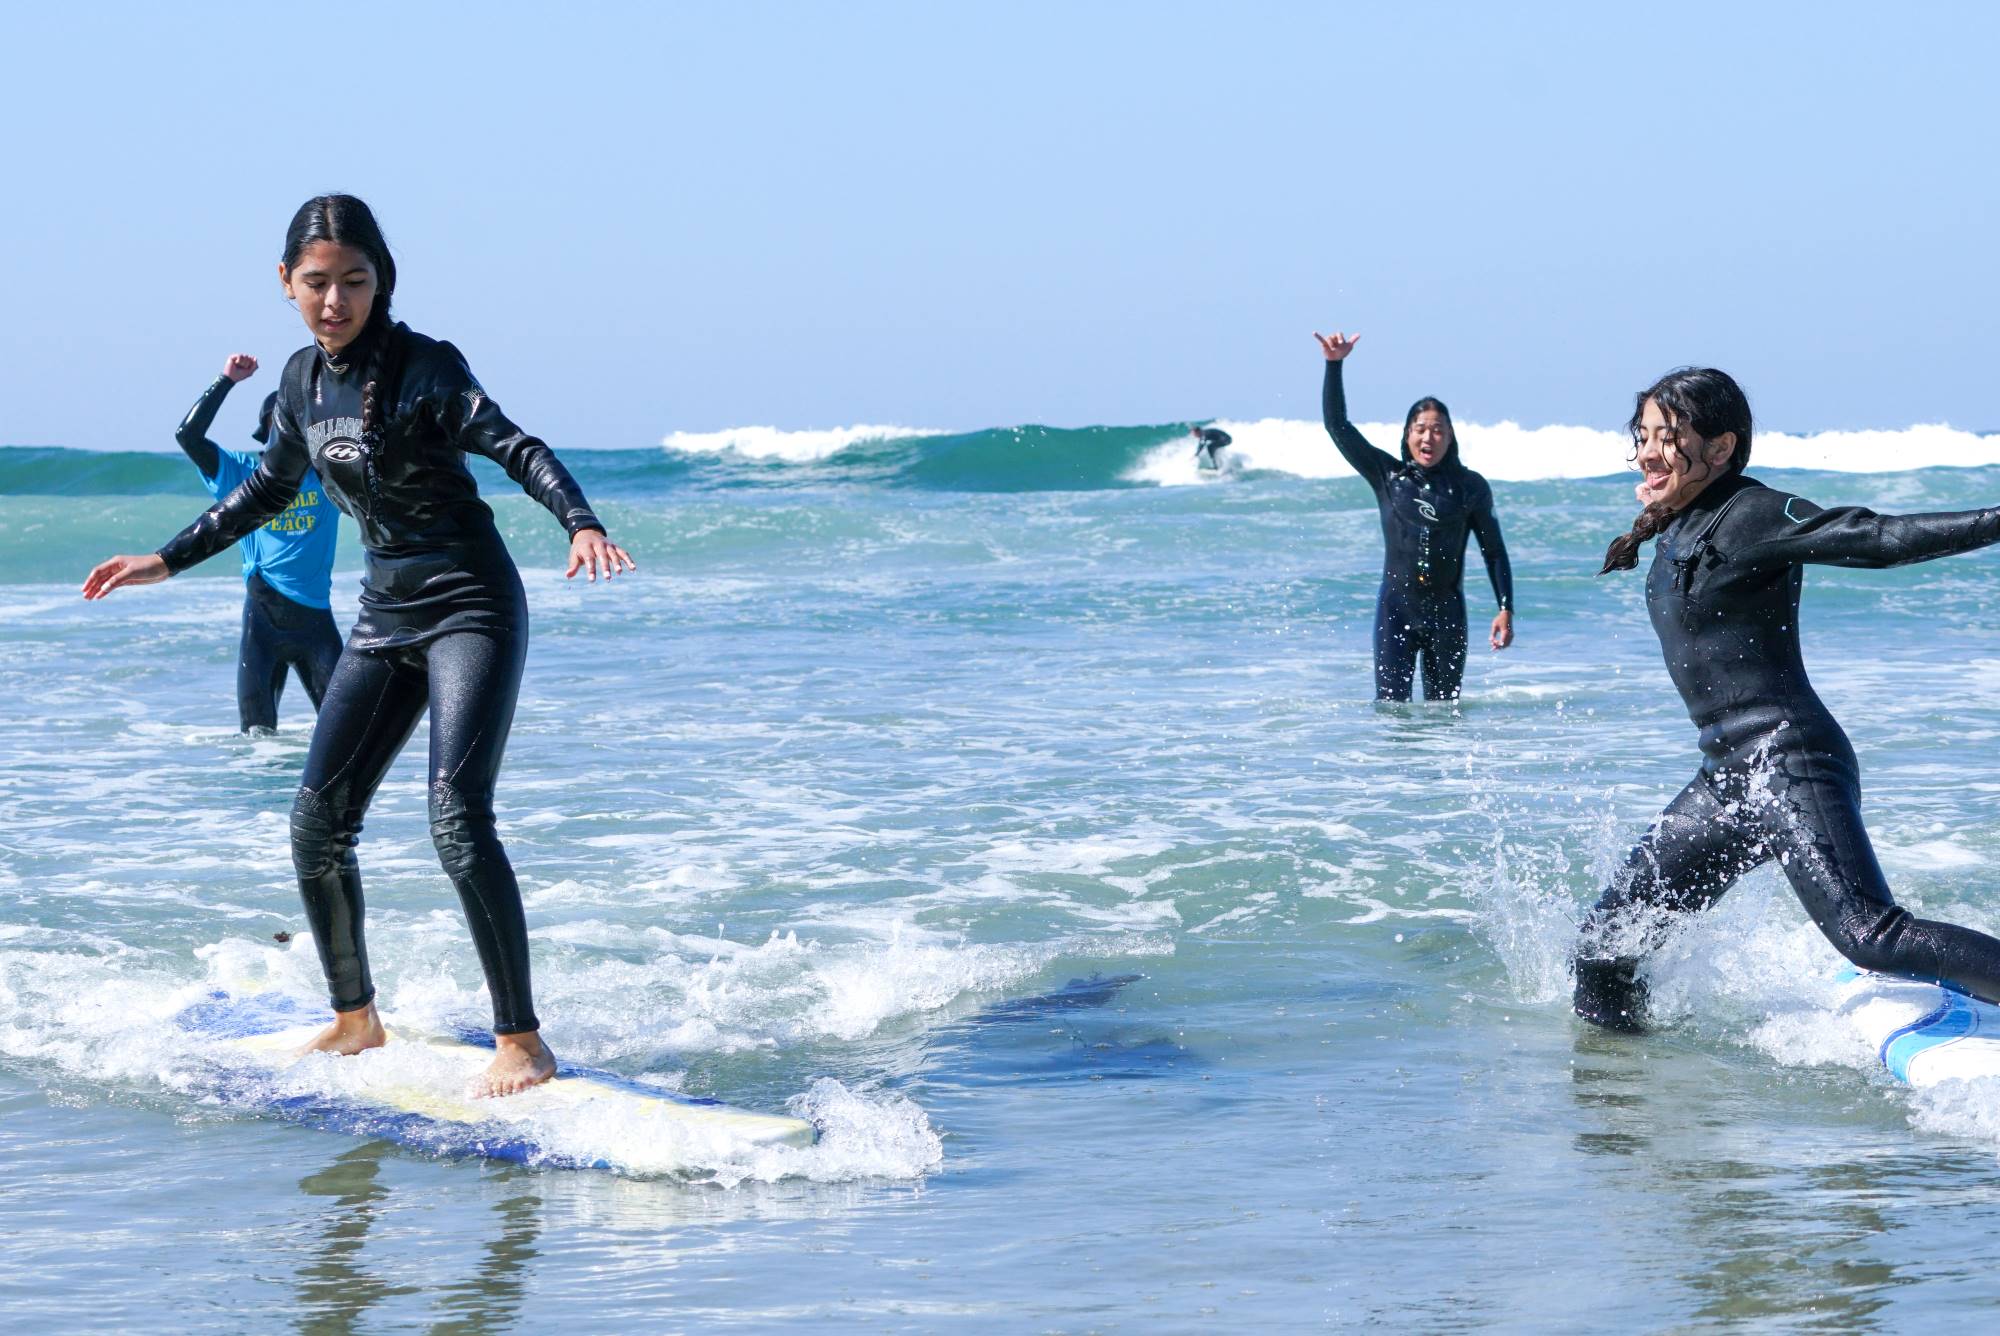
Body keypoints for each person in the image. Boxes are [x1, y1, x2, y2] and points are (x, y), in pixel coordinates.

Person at [83, 195, 634, 1096]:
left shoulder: (428, 367)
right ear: (285, 284)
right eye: (317, 283)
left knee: (458, 818)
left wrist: (579, 522)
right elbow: (262, 491)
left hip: (469, 608)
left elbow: (516, 446)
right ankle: (354, 1019)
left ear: (381, 282)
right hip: (384, 619)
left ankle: (523, 1041)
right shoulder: (299, 382)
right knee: (316, 821)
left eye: (354, 282)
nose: (335, 300)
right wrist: (166, 560)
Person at [1574, 366, 2000, 1031]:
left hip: (1788, 760)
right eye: (1643, 436)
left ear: (1721, 449)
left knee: (1871, 936)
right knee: (1603, 950)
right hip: (1727, 778)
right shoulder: (1681, 523)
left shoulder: (1754, 512)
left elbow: (1879, 538)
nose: (1649, 451)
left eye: (1668, 435)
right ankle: (1630, 1103)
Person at [1313, 329, 1514, 701]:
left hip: (1448, 614)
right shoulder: (1387, 477)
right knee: (1392, 711)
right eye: (1420, 429)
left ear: (1451, 436)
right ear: (1407, 435)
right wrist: (1334, 366)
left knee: (1445, 715)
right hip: (1396, 612)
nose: (1429, 438)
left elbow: (1494, 551)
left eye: (1438, 430)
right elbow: (1337, 426)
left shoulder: (1470, 487)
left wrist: (1505, 608)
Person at [175, 353, 343, 731]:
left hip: (316, 623)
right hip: (261, 625)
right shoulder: (240, 472)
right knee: (257, 742)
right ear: (269, 430)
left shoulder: (327, 473)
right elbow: (188, 436)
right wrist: (226, 380)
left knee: (348, 735)